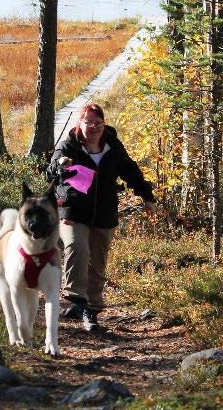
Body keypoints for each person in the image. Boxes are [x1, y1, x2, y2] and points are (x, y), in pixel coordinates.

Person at [47, 102, 156, 332]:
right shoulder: (69, 146)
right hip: (73, 211)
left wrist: (146, 195)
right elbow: (51, 171)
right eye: (89, 122)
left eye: (98, 122)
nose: (94, 127)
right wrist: (60, 166)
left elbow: (131, 171)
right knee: (77, 246)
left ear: (103, 124)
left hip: (104, 212)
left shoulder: (112, 147)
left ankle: (92, 309)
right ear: (80, 123)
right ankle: (77, 298)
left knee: (98, 260)